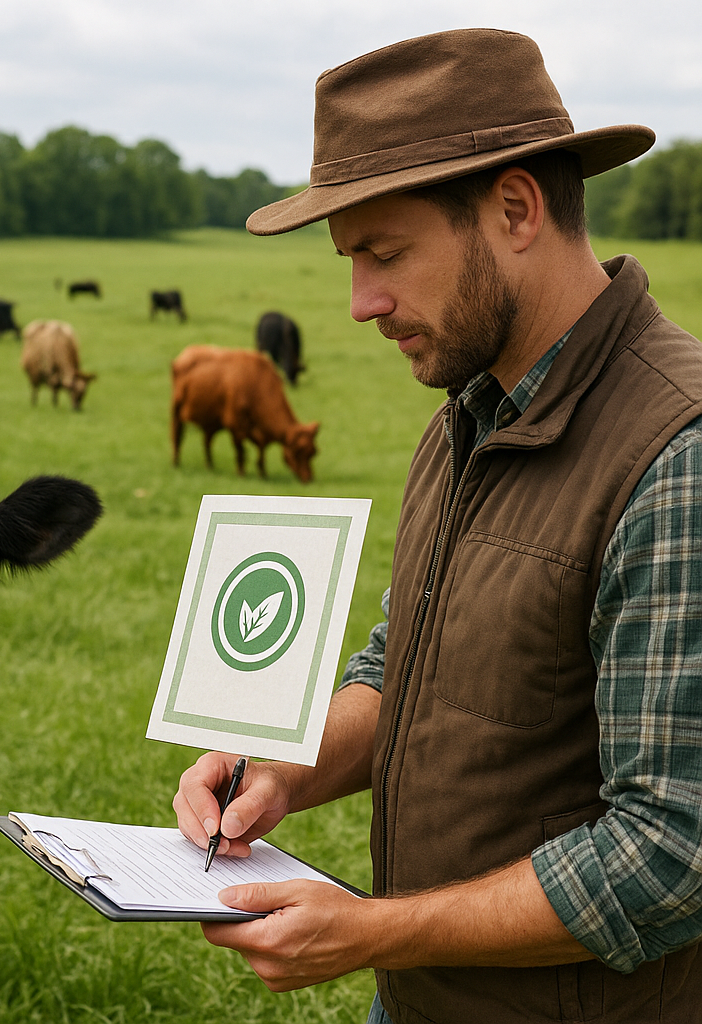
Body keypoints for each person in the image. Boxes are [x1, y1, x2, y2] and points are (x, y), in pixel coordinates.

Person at [172, 27, 702, 1024]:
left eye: (385, 252)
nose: (360, 302)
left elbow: (672, 850)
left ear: (513, 207)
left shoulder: (677, 457)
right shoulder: (465, 416)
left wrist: (371, 928)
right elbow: (403, 665)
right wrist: (285, 764)